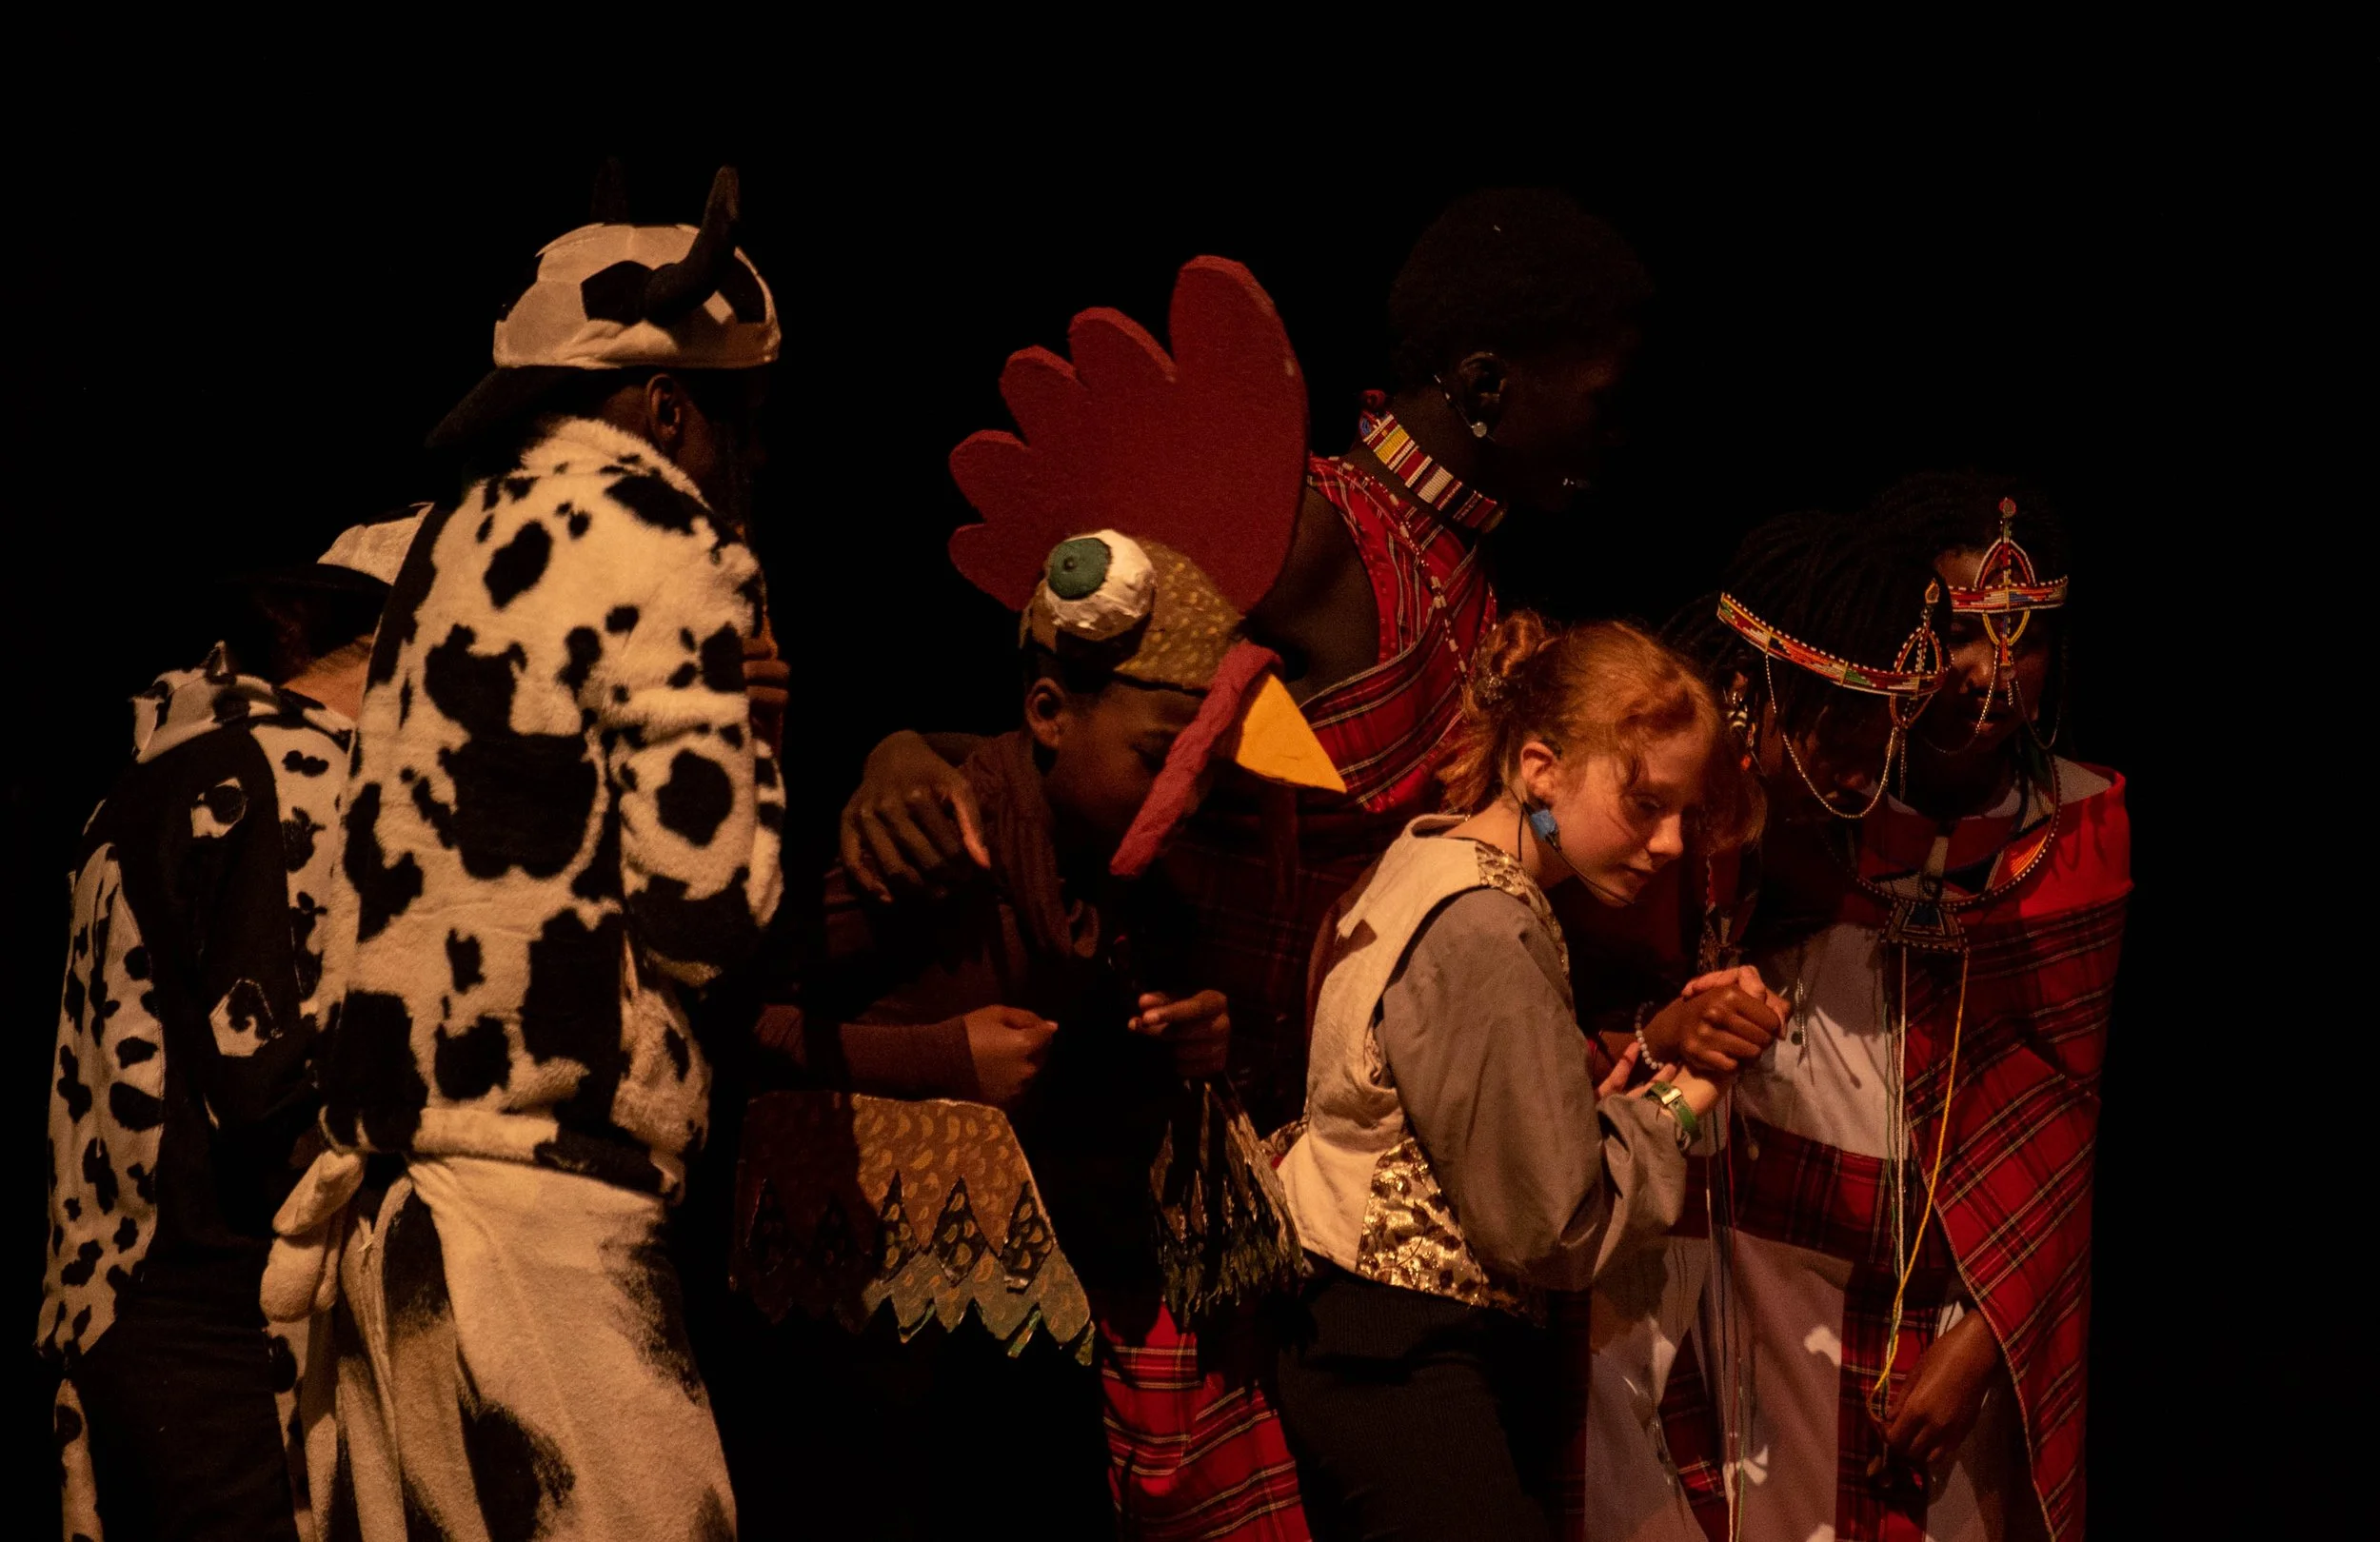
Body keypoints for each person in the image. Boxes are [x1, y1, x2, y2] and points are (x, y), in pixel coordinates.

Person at [733, 258, 1341, 1541]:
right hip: (868, 1357)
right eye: (1163, 751)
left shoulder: (1140, 873)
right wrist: (932, 1058)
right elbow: (736, 1033)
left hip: (1036, 1348)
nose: (1190, 787)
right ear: (1050, 710)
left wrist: (1202, 1045)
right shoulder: (927, 838)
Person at [841, 188, 1655, 1127]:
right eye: (1605, 401)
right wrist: (903, 751)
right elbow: (1077, 729)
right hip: (1178, 1107)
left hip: (1336, 1121)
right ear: (1482, 390)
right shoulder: (1306, 534)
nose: (1615, 438)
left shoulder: (1470, 588)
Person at [269, 168, 785, 1542]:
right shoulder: (651, 529)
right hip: (543, 1218)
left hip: (397, 1207)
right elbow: (705, 916)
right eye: (743, 424)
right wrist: (766, 753)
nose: (749, 466)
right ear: (669, 407)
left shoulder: (445, 546)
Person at [1272, 612, 1765, 1541]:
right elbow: (1552, 1226)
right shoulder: (1489, 925)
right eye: (1644, 804)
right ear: (1540, 769)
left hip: (1355, 1337)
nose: (1666, 846)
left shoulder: (1424, 858)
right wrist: (1682, 1102)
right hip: (1404, 1354)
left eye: (1681, 815)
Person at [1564, 511, 1960, 1542]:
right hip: (1554, 1220)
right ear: (1756, 691)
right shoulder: (1623, 784)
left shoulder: (1776, 832)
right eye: (1839, 727)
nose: (1861, 769)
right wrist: (1655, 1036)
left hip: (1667, 1201)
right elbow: (1510, 1014)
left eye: (1884, 734)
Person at [40, 510, 418, 1542]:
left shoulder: (184, 758)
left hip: (133, 1307)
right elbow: (270, 1081)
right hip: (215, 1321)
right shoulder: (294, 771)